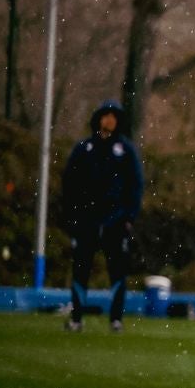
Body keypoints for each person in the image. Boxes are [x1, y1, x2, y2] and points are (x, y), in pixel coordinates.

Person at [60, 100, 144, 333]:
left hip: (115, 220)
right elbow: (70, 184)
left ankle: (116, 319)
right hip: (86, 219)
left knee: (116, 270)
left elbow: (135, 185)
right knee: (81, 269)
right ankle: (77, 318)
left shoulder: (125, 150)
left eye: (114, 117)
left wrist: (129, 216)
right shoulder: (84, 148)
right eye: (106, 116)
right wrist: (72, 216)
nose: (109, 120)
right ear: (98, 119)